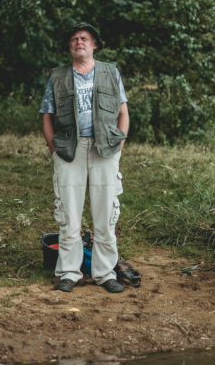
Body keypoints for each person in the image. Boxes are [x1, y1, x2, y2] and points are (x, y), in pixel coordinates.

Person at [40, 22, 130, 293]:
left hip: (105, 150)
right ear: (69, 46)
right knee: (68, 214)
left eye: (85, 38)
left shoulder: (110, 72)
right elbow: (47, 115)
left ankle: (105, 273)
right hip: (70, 150)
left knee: (106, 215)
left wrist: (119, 145)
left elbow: (123, 112)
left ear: (95, 45)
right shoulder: (58, 76)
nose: (79, 42)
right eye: (74, 39)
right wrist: (54, 150)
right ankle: (68, 272)